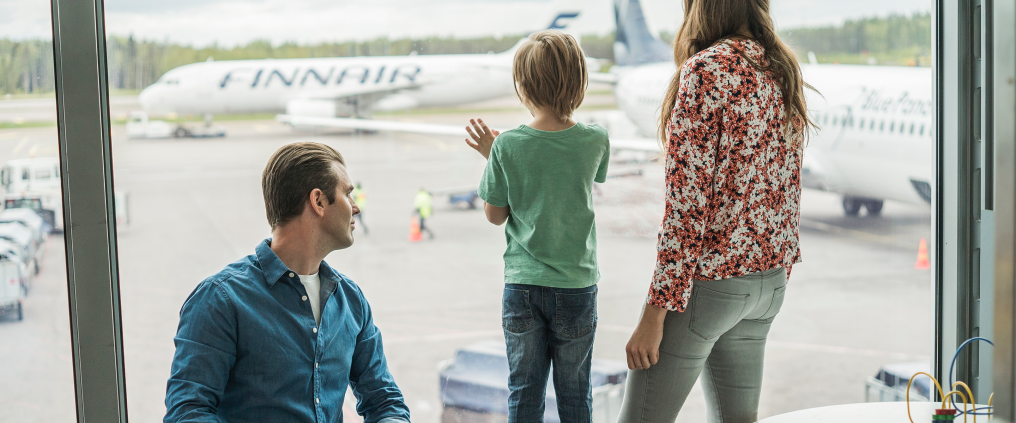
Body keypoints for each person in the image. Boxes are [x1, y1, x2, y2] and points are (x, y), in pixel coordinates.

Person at [617, 1, 814, 422]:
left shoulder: (705, 71)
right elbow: (787, 183)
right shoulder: (782, 67)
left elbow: (686, 212)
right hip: (769, 283)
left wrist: (654, 315)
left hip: (712, 287)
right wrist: (774, 274)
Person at [164, 142, 411, 423]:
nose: (355, 208)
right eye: (347, 193)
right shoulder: (220, 299)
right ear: (318, 201)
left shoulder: (350, 299)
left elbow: (385, 402)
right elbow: (188, 412)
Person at [464, 30, 610, 423]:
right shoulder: (596, 139)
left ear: (523, 87)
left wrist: (493, 155)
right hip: (577, 287)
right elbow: (579, 175)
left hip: (523, 287)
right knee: (576, 396)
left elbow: (496, 215)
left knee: (524, 395)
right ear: (579, 81)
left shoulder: (507, 145)